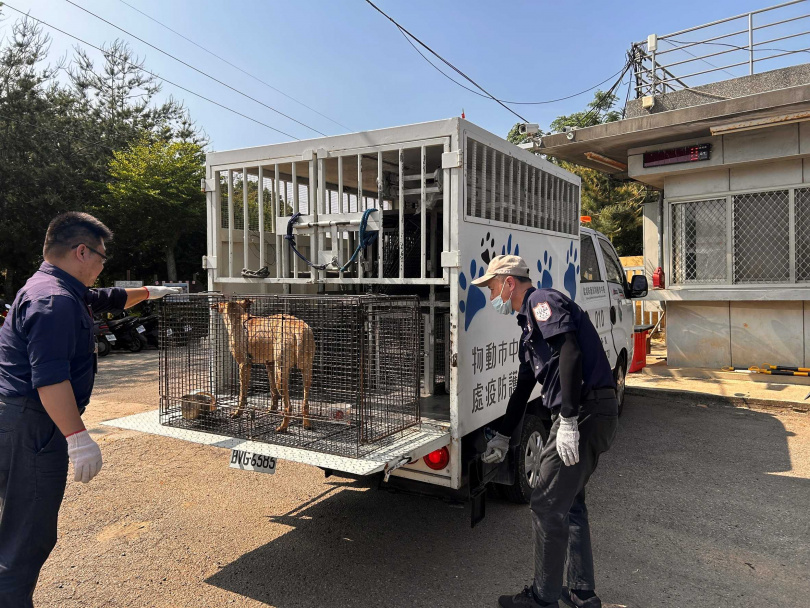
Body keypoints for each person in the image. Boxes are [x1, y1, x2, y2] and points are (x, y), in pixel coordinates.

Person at [0, 212, 180, 607]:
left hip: (15, 419)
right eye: (101, 258)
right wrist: (78, 438)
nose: (102, 267)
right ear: (82, 251)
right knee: (26, 537)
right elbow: (49, 380)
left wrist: (150, 291)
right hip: (32, 424)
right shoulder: (55, 302)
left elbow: (108, 298)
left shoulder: (52, 285)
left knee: (13, 524)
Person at [472, 255, 619, 608]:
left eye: (492, 287)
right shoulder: (529, 333)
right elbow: (523, 390)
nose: (491, 296)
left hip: (583, 412)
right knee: (570, 503)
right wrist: (504, 437)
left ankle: (543, 598)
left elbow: (570, 352)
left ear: (508, 283)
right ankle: (582, 593)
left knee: (545, 502)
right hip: (592, 411)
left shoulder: (542, 301)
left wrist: (567, 419)